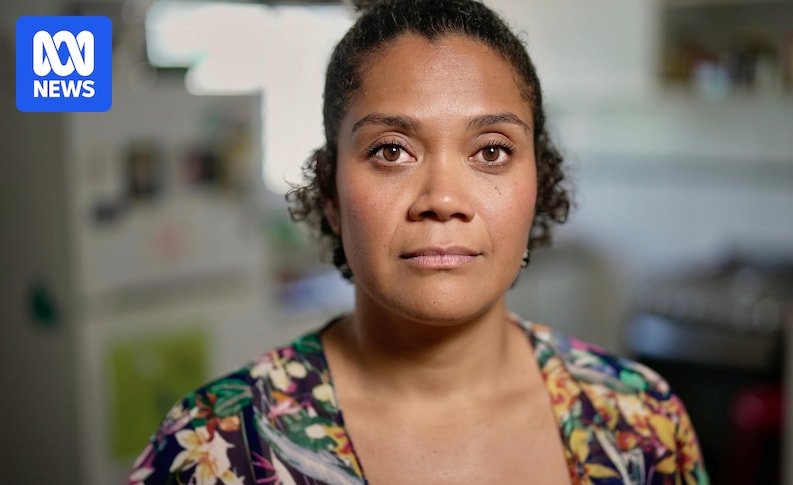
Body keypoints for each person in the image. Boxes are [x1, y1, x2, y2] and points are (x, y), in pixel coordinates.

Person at [130, 0, 709, 484]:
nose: (443, 198)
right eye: (391, 151)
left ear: (540, 183)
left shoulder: (641, 421)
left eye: (491, 151)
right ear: (330, 192)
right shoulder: (212, 449)